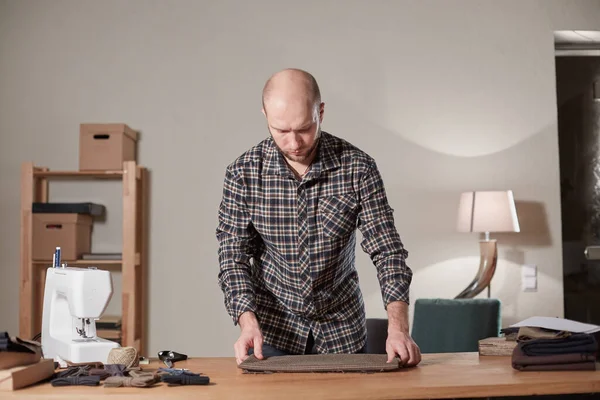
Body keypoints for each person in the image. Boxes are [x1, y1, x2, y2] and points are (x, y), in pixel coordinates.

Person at [216, 68, 421, 367]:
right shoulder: (242, 174)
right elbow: (232, 258)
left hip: (343, 331)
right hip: (273, 333)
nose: (294, 142)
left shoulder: (358, 168)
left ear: (320, 112)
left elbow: (387, 251)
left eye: (304, 128)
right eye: (281, 131)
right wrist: (246, 322)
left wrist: (398, 329)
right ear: (265, 115)